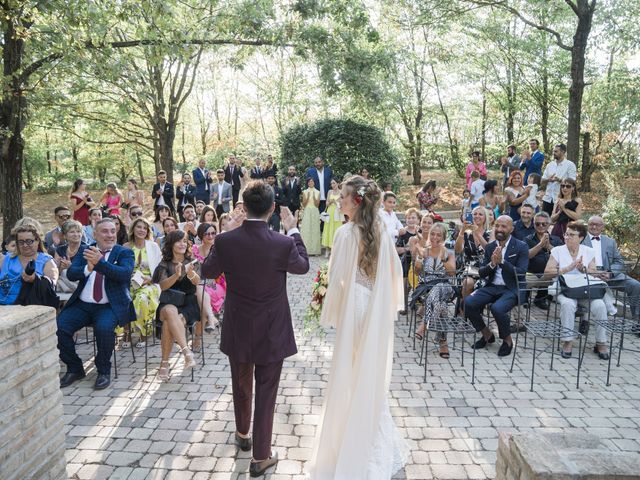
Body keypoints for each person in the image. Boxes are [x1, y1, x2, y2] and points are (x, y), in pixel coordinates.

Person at [201, 180, 309, 477]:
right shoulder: (284, 242)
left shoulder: (226, 241)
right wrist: (294, 229)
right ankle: (261, 456)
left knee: (240, 384)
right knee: (267, 391)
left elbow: (207, 271)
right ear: (273, 209)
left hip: (238, 325)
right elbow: (302, 267)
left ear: (243, 207)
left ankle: (242, 434)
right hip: (273, 328)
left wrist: (224, 232)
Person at [307, 175, 408, 480]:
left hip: (355, 307)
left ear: (356, 201)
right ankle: (374, 438)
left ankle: (350, 446)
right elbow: (394, 275)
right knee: (368, 374)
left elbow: (336, 279)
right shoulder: (380, 230)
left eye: (343, 197)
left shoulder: (345, 234)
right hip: (373, 308)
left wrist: (324, 303)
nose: (338, 201)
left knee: (350, 376)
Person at [56, 218, 135, 390]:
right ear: (95, 234)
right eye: (105, 231)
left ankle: (103, 370)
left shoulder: (124, 252)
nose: (110, 235)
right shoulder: (86, 250)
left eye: (112, 231)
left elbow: (124, 274)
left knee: (104, 329)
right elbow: (71, 274)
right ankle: (75, 368)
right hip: (83, 304)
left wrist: (101, 263)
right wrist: (87, 269)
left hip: (109, 305)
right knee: (59, 328)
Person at [465, 215, 529, 357]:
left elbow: (521, 273)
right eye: (497, 226)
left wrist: (502, 263)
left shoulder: (521, 246)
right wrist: (493, 264)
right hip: (492, 286)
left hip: (512, 288)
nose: (499, 229)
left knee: (497, 308)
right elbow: (481, 272)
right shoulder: (490, 247)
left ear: (511, 229)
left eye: (504, 226)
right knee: (468, 302)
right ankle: (487, 335)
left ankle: (507, 341)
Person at [544, 221, 609, 359]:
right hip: (565, 289)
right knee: (568, 304)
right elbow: (547, 272)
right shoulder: (557, 250)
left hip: (584, 289)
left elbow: (593, 271)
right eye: (566, 234)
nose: (567, 237)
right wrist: (568, 268)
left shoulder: (588, 251)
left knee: (600, 305)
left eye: (571, 235)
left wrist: (582, 269)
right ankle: (567, 341)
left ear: (581, 237)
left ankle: (601, 342)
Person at [152, 230, 202, 381]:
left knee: (169, 321)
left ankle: (165, 364)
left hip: (188, 304)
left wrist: (190, 273)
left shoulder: (192, 261)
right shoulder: (164, 264)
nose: (182, 244)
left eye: (184, 241)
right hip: (168, 302)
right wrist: (176, 274)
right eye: (178, 241)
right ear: (171, 244)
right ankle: (187, 353)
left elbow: (197, 282)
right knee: (169, 309)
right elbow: (163, 286)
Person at [412, 223, 456, 359]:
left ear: (443, 237)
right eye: (432, 234)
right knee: (441, 305)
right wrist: (418, 261)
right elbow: (416, 272)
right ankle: (443, 342)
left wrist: (442, 259)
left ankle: (424, 324)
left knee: (439, 288)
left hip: (445, 286)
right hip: (426, 287)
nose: (435, 237)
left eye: (438, 235)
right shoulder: (424, 251)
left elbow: (452, 273)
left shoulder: (449, 253)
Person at [583, 215, 640, 320]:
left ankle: (637, 321)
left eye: (597, 225)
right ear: (588, 225)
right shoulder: (581, 239)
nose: (594, 227)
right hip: (588, 274)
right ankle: (584, 320)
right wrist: (593, 272)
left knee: (635, 286)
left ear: (602, 227)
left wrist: (610, 273)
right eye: (591, 224)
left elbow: (619, 261)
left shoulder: (610, 241)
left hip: (608, 273)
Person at [120, 218, 162, 349]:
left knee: (142, 299)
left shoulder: (153, 246)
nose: (142, 230)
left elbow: (160, 268)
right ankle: (127, 333)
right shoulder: (125, 247)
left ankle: (143, 334)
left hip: (149, 284)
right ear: (133, 229)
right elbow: (120, 267)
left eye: (145, 228)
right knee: (123, 299)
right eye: (139, 227)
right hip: (128, 283)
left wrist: (150, 279)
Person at [0, 223, 59, 305]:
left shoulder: (47, 262)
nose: (25, 245)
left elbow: (52, 286)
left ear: (37, 241)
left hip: (30, 309)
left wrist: (35, 279)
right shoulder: (5, 259)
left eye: (29, 241)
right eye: (21, 242)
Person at [525, 212, 563, 310]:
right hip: (531, 273)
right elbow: (527, 255)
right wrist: (540, 245)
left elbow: (562, 257)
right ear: (534, 225)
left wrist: (550, 247)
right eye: (537, 224)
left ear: (549, 225)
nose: (540, 226)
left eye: (544, 224)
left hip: (549, 274)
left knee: (550, 275)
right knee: (522, 278)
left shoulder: (556, 240)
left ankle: (540, 299)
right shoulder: (528, 239)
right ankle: (524, 298)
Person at [192, 223, 226, 332]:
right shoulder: (194, 250)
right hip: (198, 283)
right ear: (201, 235)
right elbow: (193, 270)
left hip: (216, 284)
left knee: (200, 289)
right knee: (200, 291)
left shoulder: (220, 250)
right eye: (207, 234)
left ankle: (198, 339)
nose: (210, 236)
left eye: (213, 233)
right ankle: (212, 319)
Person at [541, 143, 577, 215]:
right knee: (545, 221)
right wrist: (549, 180)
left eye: (556, 151)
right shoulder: (550, 165)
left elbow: (573, 182)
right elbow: (542, 180)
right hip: (547, 199)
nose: (553, 153)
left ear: (563, 152)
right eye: (553, 151)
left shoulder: (570, 165)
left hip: (561, 199)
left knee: (558, 223)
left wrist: (560, 180)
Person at [396, 208, 420, 313]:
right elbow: (397, 249)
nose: (411, 220)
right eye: (408, 218)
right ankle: (404, 305)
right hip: (406, 260)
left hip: (419, 261)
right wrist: (409, 248)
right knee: (405, 285)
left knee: (416, 284)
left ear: (419, 220)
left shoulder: (422, 231)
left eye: (413, 218)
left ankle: (415, 303)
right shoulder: (403, 233)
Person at [54, 220, 87, 296]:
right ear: (65, 235)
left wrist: (71, 267)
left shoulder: (87, 249)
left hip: (80, 282)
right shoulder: (60, 250)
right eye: (72, 232)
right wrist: (60, 268)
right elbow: (55, 272)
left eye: (78, 231)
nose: (76, 234)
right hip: (63, 284)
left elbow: (87, 271)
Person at [321, 178, 344, 256]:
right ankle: (327, 249)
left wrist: (336, 201)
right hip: (330, 211)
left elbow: (342, 204)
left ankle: (335, 249)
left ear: (338, 183)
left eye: (334, 183)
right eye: (331, 184)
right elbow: (326, 203)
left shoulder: (341, 192)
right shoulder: (329, 192)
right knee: (328, 229)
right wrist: (329, 202)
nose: (333, 185)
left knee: (336, 229)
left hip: (337, 212)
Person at [300, 178, 321, 255]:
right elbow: (304, 204)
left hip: (315, 211)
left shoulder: (318, 192)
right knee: (306, 229)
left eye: (312, 181)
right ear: (307, 183)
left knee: (315, 229)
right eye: (309, 181)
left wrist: (315, 197)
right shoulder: (305, 191)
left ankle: (315, 250)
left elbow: (317, 204)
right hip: (307, 211)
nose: (311, 182)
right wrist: (308, 196)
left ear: (314, 183)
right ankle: (306, 250)